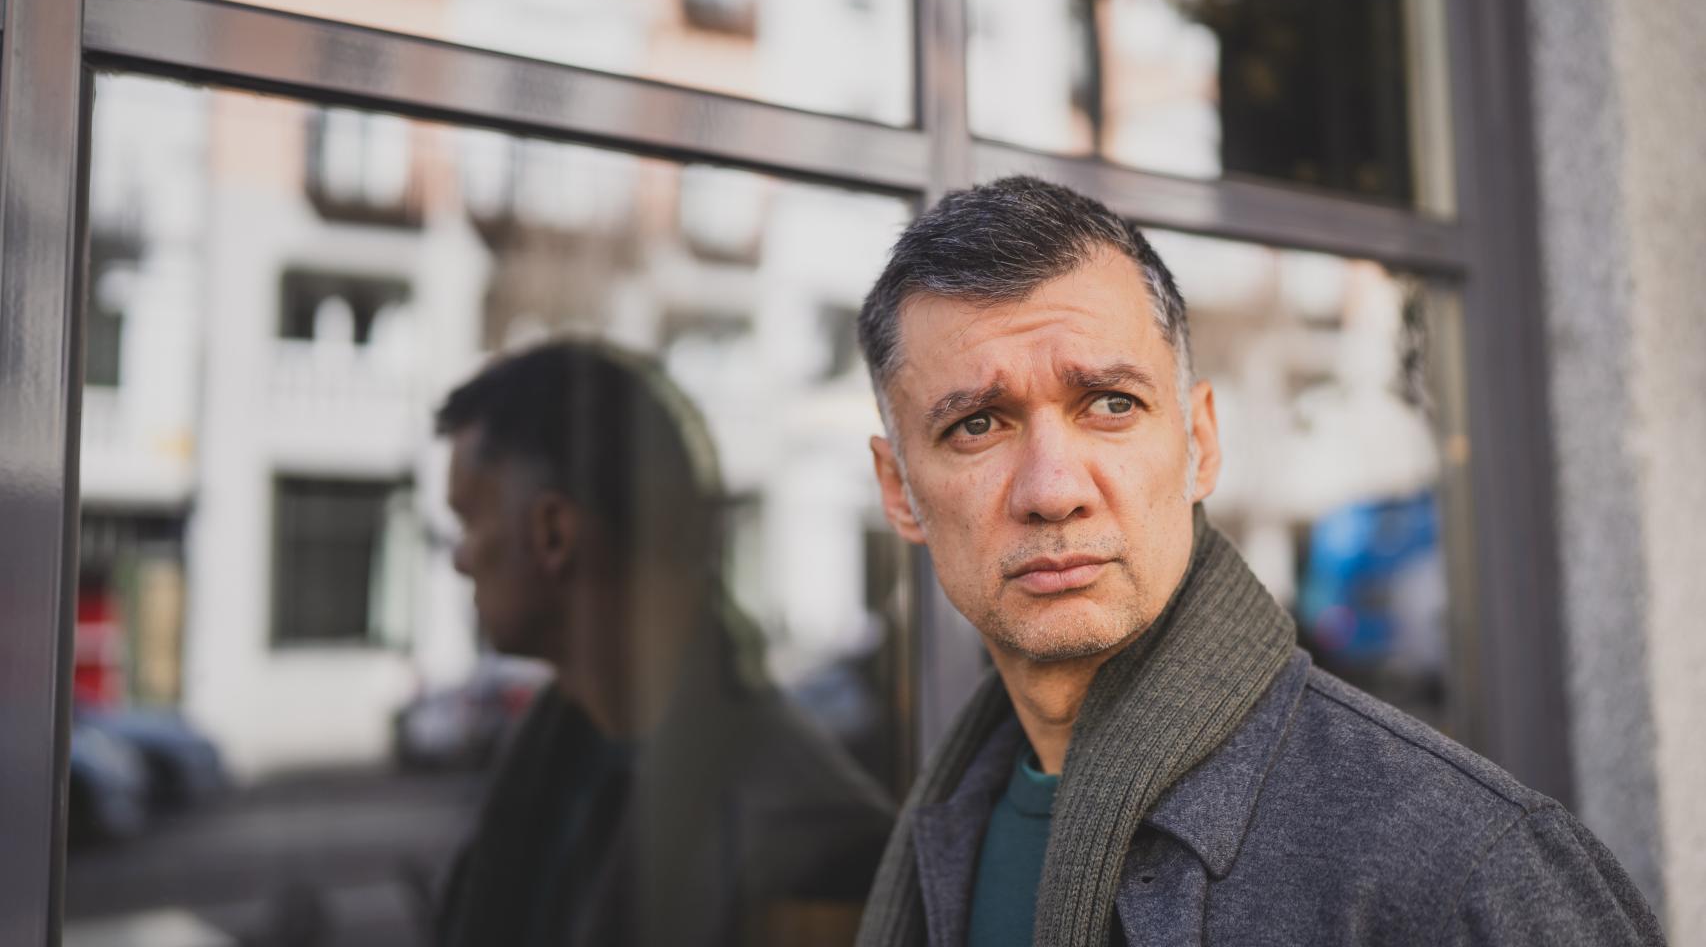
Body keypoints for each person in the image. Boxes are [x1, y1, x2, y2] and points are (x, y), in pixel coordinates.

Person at [851, 177, 1663, 946]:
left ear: (1200, 444)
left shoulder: (1469, 865)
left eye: (1110, 404)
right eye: (978, 426)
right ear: (898, 490)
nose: (1053, 490)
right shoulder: (945, 831)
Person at [432, 339, 893, 947]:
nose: (459, 559)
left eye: (468, 519)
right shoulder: (555, 761)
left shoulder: (806, 838)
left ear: (553, 533)